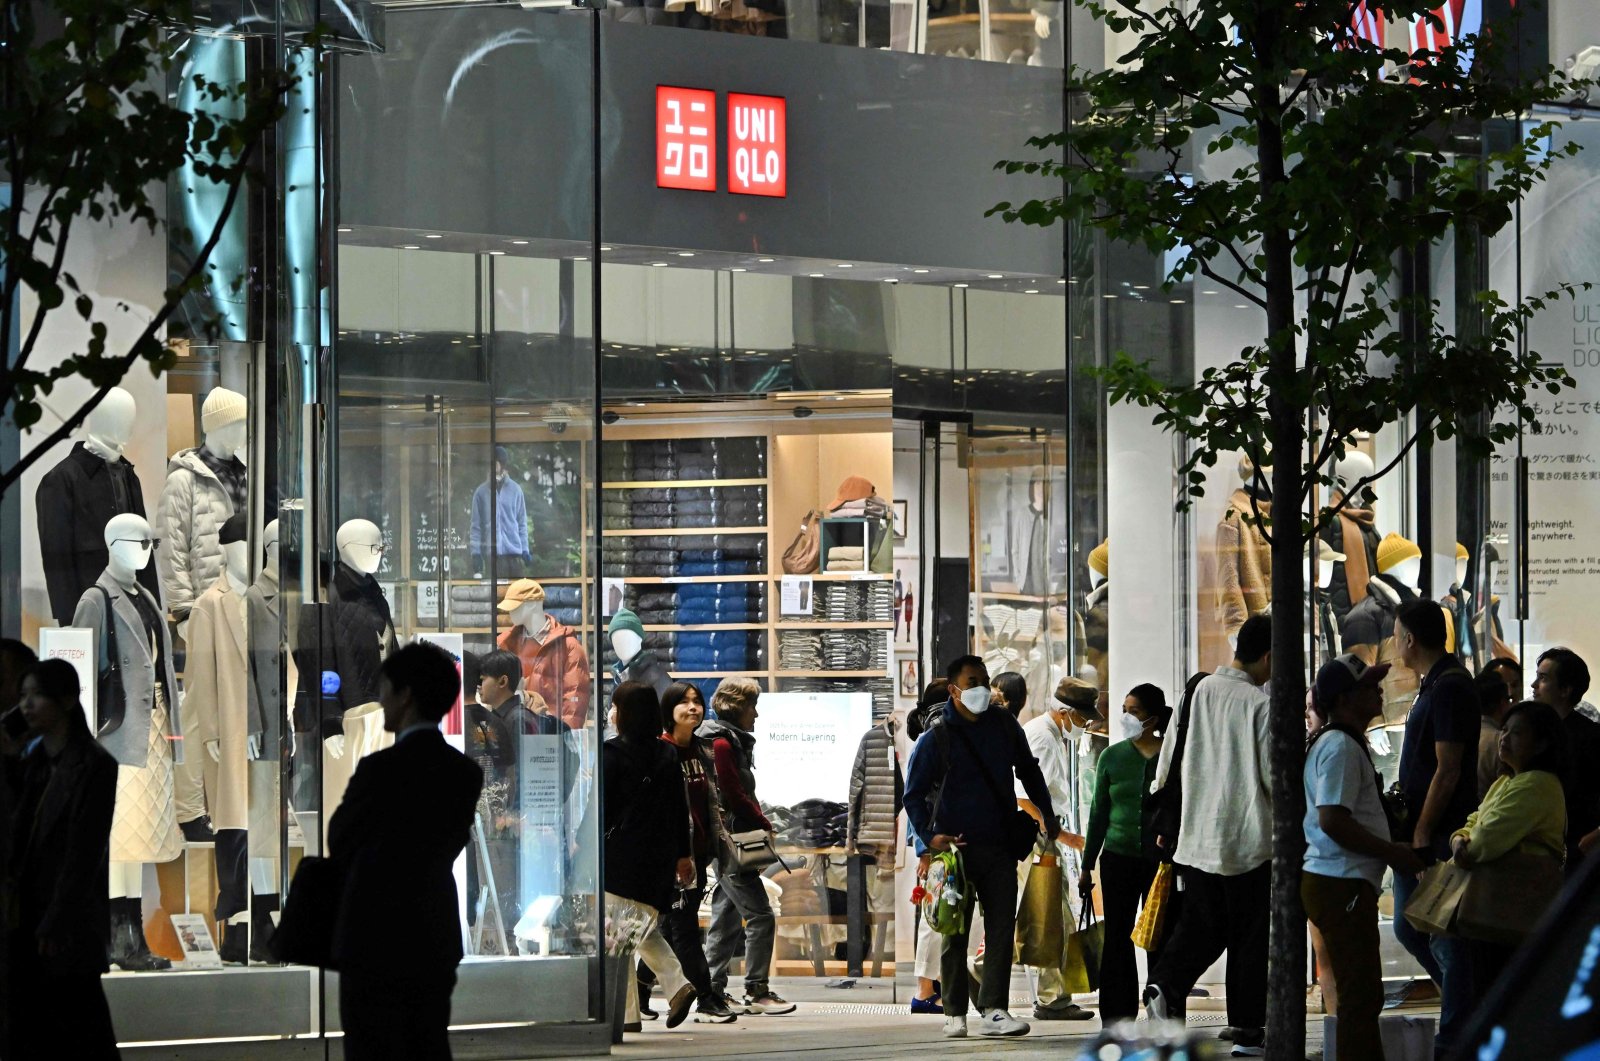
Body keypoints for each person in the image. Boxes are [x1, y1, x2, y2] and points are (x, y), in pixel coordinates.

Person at [327, 643, 485, 1061]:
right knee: (428, 1042)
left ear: (407, 696)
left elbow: (340, 838)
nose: (381, 700)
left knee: (369, 1046)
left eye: (386, 689)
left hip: (372, 932)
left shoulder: (378, 769)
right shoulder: (464, 774)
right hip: (433, 927)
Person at [903, 655, 1059, 1040]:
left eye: (985, 680)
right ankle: (954, 1012)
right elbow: (914, 794)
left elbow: (1028, 769)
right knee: (954, 931)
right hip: (954, 852)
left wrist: (1047, 814)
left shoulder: (1003, 725)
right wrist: (927, 837)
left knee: (1002, 928)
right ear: (954, 689)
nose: (981, 689)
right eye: (973, 681)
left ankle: (994, 1009)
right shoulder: (936, 736)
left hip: (999, 845)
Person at [1145, 613, 1274, 1057]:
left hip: (1196, 836)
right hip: (1249, 839)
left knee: (1204, 924)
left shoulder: (1196, 690)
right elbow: (1274, 777)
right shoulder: (1261, 705)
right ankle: (1247, 1028)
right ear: (1268, 656)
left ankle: (1166, 983)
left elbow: (1169, 759)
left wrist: (1163, 813)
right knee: (1251, 936)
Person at [1302, 655, 1427, 1061]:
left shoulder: (1342, 742)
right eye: (1367, 686)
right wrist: (1392, 852)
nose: (1378, 691)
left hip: (1343, 881)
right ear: (1342, 698)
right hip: (1341, 881)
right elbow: (1333, 819)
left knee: (1361, 994)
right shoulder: (1339, 746)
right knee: (1360, 996)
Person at [3, 660, 120, 1060]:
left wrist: (57, 918)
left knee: (80, 1028)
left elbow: (83, 853)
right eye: (22, 697)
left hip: (66, 921)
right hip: (29, 915)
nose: (26, 706)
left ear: (66, 700)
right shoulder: (33, 763)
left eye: (36, 695)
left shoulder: (94, 764)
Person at [1391, 599, 1476, 1056]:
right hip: (1425, 830)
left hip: (1439, 833)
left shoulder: (1449, 688)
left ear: (1409, 639)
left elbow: (1449, 768)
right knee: (1413, 926)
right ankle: (1470, 1008)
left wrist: (1423, 832)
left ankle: (1461, 1028)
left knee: (1443, 934)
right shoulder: (1434, 684)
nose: (1392, 642)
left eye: (1395, 633)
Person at [1450, 700, 1569, 1003]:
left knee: (1498, 995)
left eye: (1517, 733)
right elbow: (1475, 821)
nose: (1504, 738)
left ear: (1541, 743)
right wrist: (1460, 837)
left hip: (1509, 909)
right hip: (1494, 912)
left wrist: (1466, 844)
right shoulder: (1508, 780)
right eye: (1504, 730)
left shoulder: (1537, 784)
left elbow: (1487, 839)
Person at [601, 681, 698, 1031]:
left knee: (622, 929)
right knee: (630, 928)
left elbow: (598, 810)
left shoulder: (610, 754)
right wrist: (683, 856)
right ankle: (628, 1016)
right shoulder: (667, 753)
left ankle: (676, 984)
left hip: (618, 856)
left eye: (614, 706)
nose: (611, 712)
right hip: (658, 858)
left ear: (624, 713)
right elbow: (678, 810)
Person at [699, 677, 794, 1015]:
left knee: (725, 917)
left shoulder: (723, 740)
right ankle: (757, 991)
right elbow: (733, 793)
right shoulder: (723, 744)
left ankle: (713, 991)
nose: (755, 714)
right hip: (732, 843)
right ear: (737, 706)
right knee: (761, 916)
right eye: (752, 706)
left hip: (727, 841)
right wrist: (764, 822)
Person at [1080, 683, 1173, 1024]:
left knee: (1160, 935)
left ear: (1152, 716)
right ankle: (1116, 1017)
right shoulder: (1112, 756)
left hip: (1160, 861)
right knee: (1117, 936)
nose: (1126, 717)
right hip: (1117, 858)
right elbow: (1098, 813)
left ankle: (1163, 1010)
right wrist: (1087, 864)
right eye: (1124, 709)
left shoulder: (1171, 755)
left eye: (1133, 711)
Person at [1013, 677, 1095, 1023]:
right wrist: (1062, 837)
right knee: (1049, 918)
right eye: (1082, 718)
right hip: (1038, 838)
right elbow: (1026, 798)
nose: (1086, 725)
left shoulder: (1048, 734)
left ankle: (1054, 997)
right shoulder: (1043, 739)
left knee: (1046, 918)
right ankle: (1051, 999)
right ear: (1064, 713)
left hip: (1044, 835)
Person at [656, 682, 739, 1023]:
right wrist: (676, 855)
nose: (693, 707)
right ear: (668, 710)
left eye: (697, 702)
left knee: (666, 925)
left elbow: (710, 803)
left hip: (699, 852)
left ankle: (641, 987)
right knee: (685, 927)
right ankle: (706, 996)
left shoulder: (701, 750)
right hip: (672, 855)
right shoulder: (661, 752)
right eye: (684, 702)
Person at [1530, 647, 1600, 868]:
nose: (1534, 685)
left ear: (1565, 689)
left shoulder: (1590, 737)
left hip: (1577, 850)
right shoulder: (1536, 732)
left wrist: (1594, 836)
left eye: (1543, 678)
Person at [906, 677, 950, 1014]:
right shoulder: (934, 735)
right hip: (936, 842)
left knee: (940, 913)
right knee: (934, 916)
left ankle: (933, 987)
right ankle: (923, 991)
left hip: (937, 841)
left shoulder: (934, 734)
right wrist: (924, 848)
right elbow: (916, 799)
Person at [1475, 668, 1514, 801]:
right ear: (1503, 704)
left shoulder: (1460, 736)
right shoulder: (1503, 742)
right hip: (1488, 815)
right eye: (1509, 700)